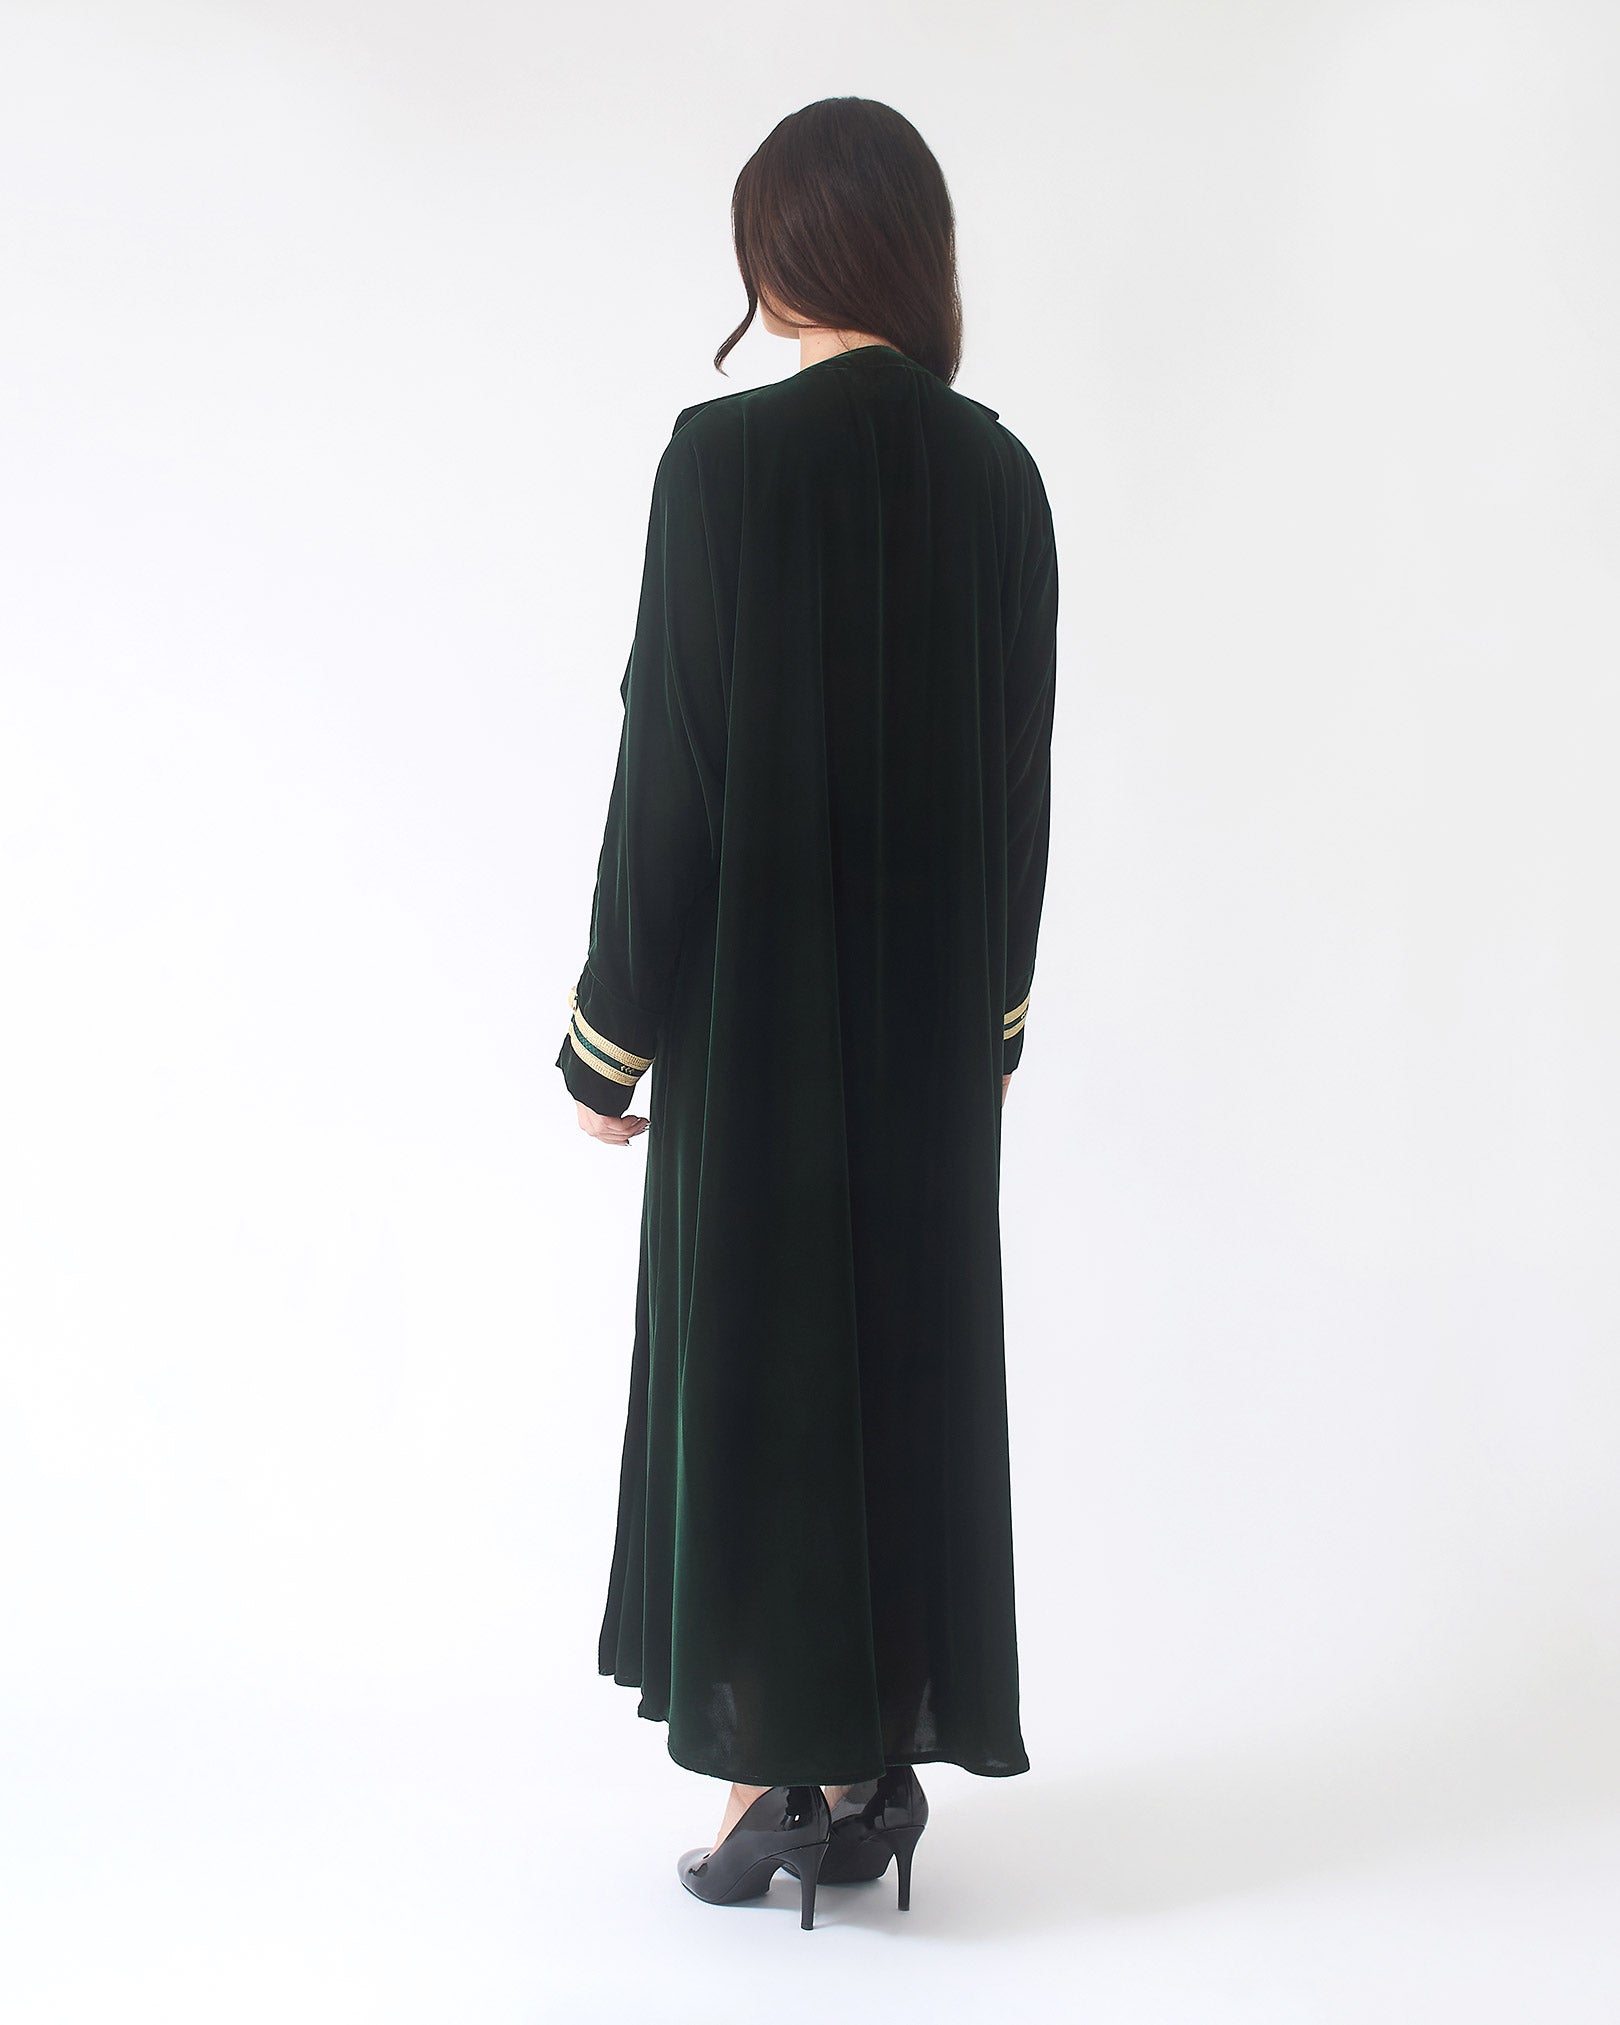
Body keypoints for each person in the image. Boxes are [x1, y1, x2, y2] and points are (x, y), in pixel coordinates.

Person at [555, 96, 1059, 1931]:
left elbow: (670, 774)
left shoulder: (724, 462)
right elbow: (1020, 790)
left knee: (761, 1370)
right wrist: (990, 1029)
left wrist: (609, 1031)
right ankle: (868, 1780)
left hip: (757, 1026)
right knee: (899, 1365)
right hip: (929, 1037)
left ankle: (771, 1778)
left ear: (777, 264)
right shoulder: (1001, 481)